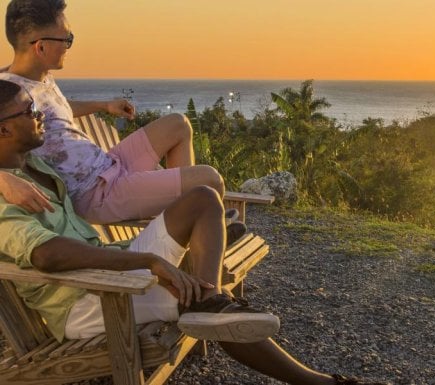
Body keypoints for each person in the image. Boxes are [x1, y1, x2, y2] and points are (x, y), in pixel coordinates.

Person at [0, 80, 389, 385]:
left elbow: (64, 114)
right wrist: (149, 260)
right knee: (200, 295)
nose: (41, 115)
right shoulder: (4, 200)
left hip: (108, 268)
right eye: (29, 109)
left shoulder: (36, 168)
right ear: (3, 130)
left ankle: (209, 302)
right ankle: (318, 381)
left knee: (202, 199)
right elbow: (46, 255)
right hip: (86, 299)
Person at [0, 0, 231, 226]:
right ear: (41, 47)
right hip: (95, 193)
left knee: (178, 124)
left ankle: (187, 221)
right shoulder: (10, 96)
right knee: (210, 180)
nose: (70, 45)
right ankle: (193, 225)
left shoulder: (40, 76)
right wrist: (4, 180)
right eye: (67, 39)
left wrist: (104, 105)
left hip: (109, 165)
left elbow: (57, 110)